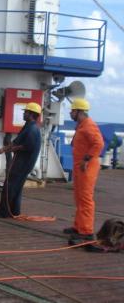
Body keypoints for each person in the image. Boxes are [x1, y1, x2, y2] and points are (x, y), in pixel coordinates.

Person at [0, 102, 42, 218]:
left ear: (31, 114)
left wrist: (6, 149)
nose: (24, 114)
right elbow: (19, 142)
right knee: (17, 187)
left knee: (9, 185)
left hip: (22, 163)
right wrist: (7, 149)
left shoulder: (32, 129)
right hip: (24, 163)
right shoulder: (30, 126)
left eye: (26, 112)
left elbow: (26, 146)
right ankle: (15, 211)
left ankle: (4, 211)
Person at [65, 98, 104, 242]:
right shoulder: (82, 125)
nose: (71, 113)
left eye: (72, 111)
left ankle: (86, 231)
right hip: (80, 166)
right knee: (79, 197)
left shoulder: (88, 125)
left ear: (79, 112)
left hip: (87, 167)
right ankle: (78, 226)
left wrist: (86, 159)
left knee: (86, 198)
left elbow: (98, 143)